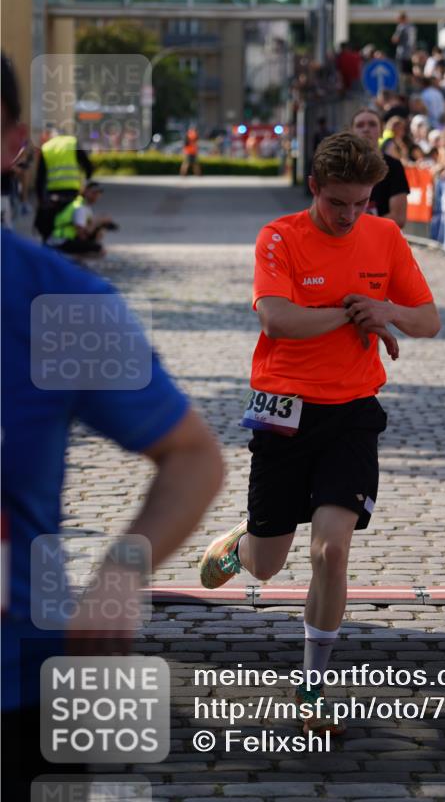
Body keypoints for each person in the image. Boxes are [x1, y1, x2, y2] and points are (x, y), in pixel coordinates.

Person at [1, 53, 226, 797]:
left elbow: (193, 457)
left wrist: (121, 575)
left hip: (16, 698)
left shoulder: (57, 302)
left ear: (13, 145)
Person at [198, 132, 440, 737]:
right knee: (267, 565)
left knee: (331, 550)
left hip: (353, 411)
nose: (350, 215)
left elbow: (428, 320)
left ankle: (312, 688)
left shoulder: (384, 237)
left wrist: (387, 311)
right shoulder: (279, 237)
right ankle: (242, 543)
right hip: (283, 407)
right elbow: (277, 318)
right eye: (338, 203)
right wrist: (353, 312)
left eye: (361, 203)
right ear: (314, 187)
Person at [351, 107, 409, 227]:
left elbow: (399, 218)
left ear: (381, 131)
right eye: (360, 125)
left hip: (378, 236)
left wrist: (359, 228)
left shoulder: (394, 166)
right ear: (351, 132)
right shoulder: (339, 165)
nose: (366, 129)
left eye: (372, 124)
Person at [34, 129, 93, 242]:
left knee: (53, 222)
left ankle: (51, 243)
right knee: (72, 220)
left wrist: (41, 200)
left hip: (52, 193)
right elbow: (87, 165)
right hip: (72, 191)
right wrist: (86, 184)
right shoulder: (72, 142)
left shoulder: (46, 147)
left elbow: (40, 178)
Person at [48, 179, 118, 256]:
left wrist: (101, 225)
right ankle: (75, 260)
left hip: (66, 239)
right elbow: (82, 235)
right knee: (98, 249)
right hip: (61, 241)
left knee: (99, 233)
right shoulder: (80, 207)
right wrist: (96, 222)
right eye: (93, 193)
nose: (96, 196)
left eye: (98, 193)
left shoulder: (84, 206)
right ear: (85, 192)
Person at [391, 12, 417, 87]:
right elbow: (413, 42)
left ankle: (402, 89)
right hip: (410, 54)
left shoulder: (401, 27)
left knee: (402, 73)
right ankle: (412, 88)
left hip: (402, 53)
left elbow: (395, 39)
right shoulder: (412, 27)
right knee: (410, 73)